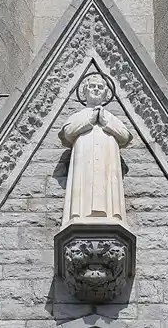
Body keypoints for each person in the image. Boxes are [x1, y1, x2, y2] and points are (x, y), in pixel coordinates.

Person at [59, 73, 132, 225]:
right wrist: (89, 121)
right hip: (83, 165)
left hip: (107, 164)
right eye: (92, 87)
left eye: (100, 87)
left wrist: (106, 122)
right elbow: (68, 132)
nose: (96, 90)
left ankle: (112, 216)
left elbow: (125, 136)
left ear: (106, 94)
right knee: (82, 190)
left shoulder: (110, 117)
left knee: (108, 187)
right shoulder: (78, 115)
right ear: (85, 91)